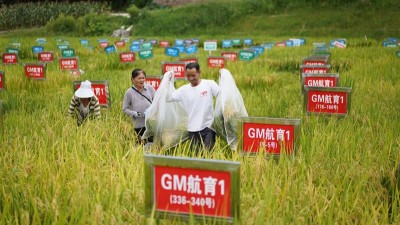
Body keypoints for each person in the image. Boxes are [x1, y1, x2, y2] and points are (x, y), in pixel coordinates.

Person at [167, 62, 220, 155]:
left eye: (193, 75)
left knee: (208, 155)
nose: (191, 78)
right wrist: (168, 82)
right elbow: (168, 98)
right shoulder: (183, 90)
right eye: (188, 76)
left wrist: (223, 77)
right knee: (196, 156)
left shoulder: (209, 84)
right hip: (192, 129)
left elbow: (222, 96)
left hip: (208, 127)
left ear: (199, 72)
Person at [122, 68, 155, 144]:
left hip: (151, 124)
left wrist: (152, 110)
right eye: (139, 78)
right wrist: (135, 113)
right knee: (141, 145)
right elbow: (124, 109)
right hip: (138, 126)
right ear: (133, 79)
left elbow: (156, 103)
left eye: (143, 78)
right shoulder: (129, 92)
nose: (142, 80)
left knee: (152, 145)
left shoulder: (150, 89)